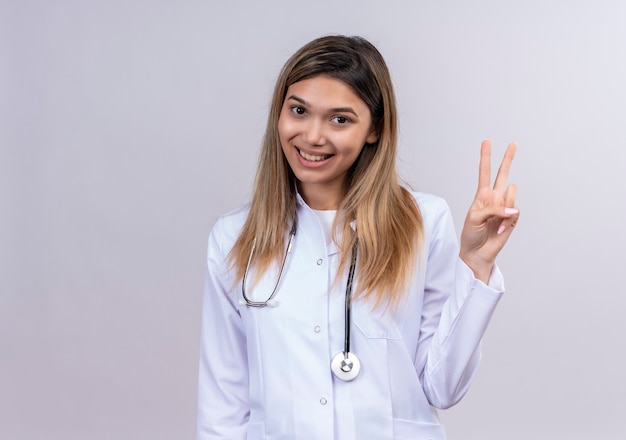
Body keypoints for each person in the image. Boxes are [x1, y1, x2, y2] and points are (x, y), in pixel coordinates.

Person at [196, 35, 519, 440]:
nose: (313, 136)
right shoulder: (234, 236)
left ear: (374, 129)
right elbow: (222, 405)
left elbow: (442, 387)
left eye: (340, 119)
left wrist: (476, 265)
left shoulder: (423, 222)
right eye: (298, 111)